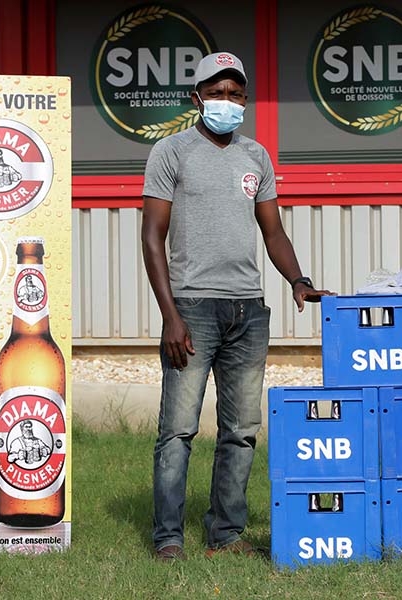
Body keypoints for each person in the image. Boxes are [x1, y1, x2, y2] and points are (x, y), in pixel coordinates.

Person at [141, 51, 331, 562]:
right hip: (192, 309)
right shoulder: (171, 152)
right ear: (196, 98)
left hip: (248, 311)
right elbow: (152, 237)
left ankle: (225, 534)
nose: (226, 101)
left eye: (235, 93)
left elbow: (273, 231)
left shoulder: (256, 156)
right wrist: (171, 315)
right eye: (216, 92)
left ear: (245, 99)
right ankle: (168, 538)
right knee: (178, 429)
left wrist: (298, 280)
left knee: (242, 431)